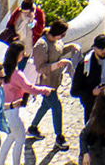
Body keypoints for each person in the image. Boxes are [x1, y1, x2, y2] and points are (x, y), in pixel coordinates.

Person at [26, 19, 74, 148]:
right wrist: (57, 65)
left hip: (54, 81)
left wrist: (71, 47)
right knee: (57, 107)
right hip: (45, 84)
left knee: (45, 105)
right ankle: (59, 137)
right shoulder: (42, 45)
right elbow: (40, 68)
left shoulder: (56, 41)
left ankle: (33, 127)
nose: (63, 37)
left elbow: (58, 51)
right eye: (62, 34)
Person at [0, 44, 47, 165]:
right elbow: (30, 88)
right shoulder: (16, 74)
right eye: (22, 54)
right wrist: (45, 90)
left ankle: (0, 162)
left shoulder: (4, 70)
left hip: (5, 110)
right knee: (20, 139)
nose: (23, 56)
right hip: (12, 111)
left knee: (11, 137)